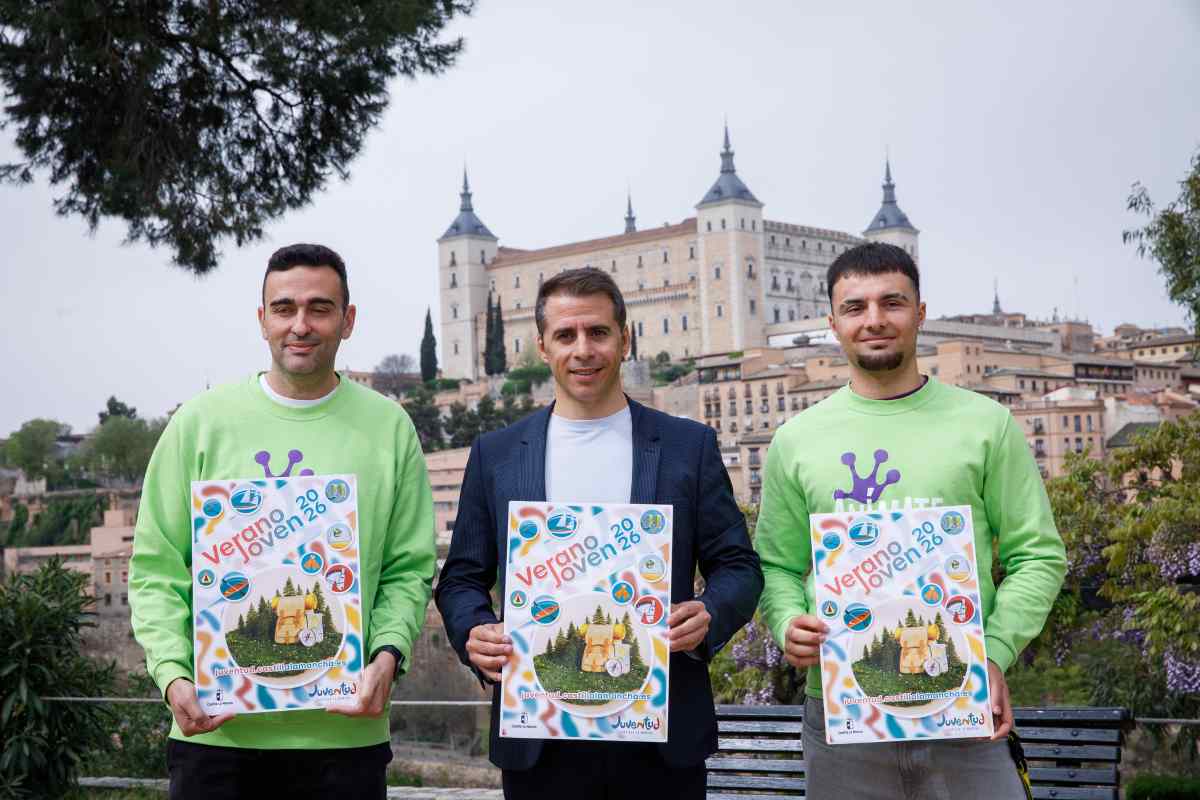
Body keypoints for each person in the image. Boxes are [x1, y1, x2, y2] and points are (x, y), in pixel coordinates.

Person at [434, 268, 763, 799]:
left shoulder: (689, 446)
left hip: (663, 734)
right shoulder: (495, 455)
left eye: (598, 333)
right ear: (542, 346)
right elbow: (461, 578)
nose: (583, 350)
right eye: (566, 336)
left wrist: (710, 614)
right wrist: (474, 631)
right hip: (539, 736)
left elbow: (739, 567)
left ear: (625, 339)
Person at [754, 242, 1066, 799]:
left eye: (892, 302)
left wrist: (993, 655)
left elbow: (1038, 555)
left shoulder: (986, 424)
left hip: (964, 706)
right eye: (855, 307)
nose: (874, 320)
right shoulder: (795, 441)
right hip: (838, 712)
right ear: (832, 323)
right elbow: (776, 566)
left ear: (920, 313)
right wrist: (786, 622)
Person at [129, 243, 436, 799]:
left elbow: (408, 568)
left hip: (344, 739)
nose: (301, 325)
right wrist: (173, 675)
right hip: (216, 740)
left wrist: (389, 655)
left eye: (320, 308)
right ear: (261, 319)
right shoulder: (198, 424)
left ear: (348, 320)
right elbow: (156, 569)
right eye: (284, 308)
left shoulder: (391, 429)